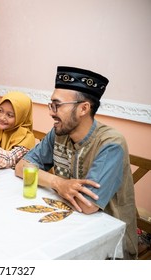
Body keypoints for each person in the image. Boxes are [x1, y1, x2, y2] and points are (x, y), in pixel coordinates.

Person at [14, 66, 138, 259]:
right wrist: (58, 183)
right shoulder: (59, 133)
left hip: (108, 244)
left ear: (83, 108)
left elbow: (87, 204)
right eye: (51, 105)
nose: (51, 112)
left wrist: (45, 178)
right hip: (65, 225)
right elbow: (22, 167)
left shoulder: (110, 143)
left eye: (57, 105)